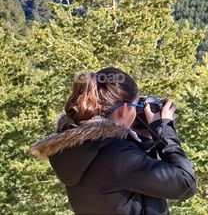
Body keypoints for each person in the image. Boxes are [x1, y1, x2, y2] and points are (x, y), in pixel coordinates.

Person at [30, 67, 197, 214]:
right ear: (124, 110)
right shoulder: (119, 155)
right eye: (137, 106)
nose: (138, 111)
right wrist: (165, 130)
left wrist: (143, 137)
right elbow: (185, 184)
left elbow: (124, 183)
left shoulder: (77, 148)